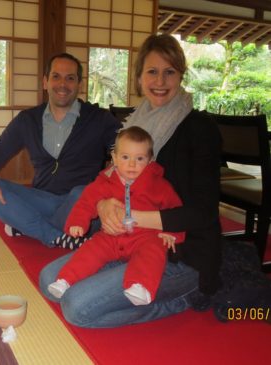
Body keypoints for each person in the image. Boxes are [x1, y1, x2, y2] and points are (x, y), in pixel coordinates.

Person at [39, 34, 222, 328]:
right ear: (138, 78)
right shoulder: (134, 125)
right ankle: (127, 277)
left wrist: (129, 216)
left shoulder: (200, 128)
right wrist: (102, 206)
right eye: (152, 71)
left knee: (77, 308)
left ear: (180, 75)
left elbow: (202, 214)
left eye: (169, 72)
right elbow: (109, 181)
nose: (160, 81)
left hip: (179, 252)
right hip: (126, 241)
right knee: (48, 279)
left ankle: (185, 297)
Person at [0, 53, 121, 246]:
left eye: (70, 78)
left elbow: (125, 153)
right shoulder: (28, 120)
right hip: (41, 200)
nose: (63, 84)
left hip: (82, 205)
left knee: (81, 192)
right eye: (56, 76)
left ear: (79, 84)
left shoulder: (100, 119)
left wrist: (110, 179)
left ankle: (27, 224)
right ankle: (55, 236)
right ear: (45, 82)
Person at [48, 126, 185, 306]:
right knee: (90, 249)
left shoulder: (159, 185)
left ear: (150, 161)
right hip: (112, 235)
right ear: (114, 158)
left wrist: (172, 233)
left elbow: (175, 209)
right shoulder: (105, 181)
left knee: (153, 253)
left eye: (140, 159)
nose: (131, 164)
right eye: (125, 157)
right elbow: (87, 201)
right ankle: (65, 280)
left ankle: (140, 286)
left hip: (145, 236)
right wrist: (77, 222)